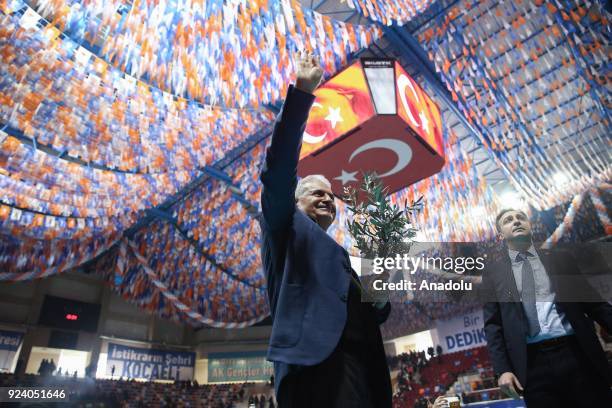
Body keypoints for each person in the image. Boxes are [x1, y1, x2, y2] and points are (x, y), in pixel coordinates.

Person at [259, 50, 392, 407]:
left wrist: (378, 293)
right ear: (295, 200)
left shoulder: (340, 256)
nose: (327, 200)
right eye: (318, 192)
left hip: (363, 369)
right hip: (316, 370)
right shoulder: (283, 228)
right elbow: (279, 172)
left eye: (332, 197)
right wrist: (302, 93)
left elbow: (374, 312)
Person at [482, 208, 612, 407]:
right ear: (501, 235)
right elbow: (493, 326)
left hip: (578, 353)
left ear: (530, 226)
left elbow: (595, 304)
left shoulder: (560, 259)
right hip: (532, 366)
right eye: (509, 220)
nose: (516, 221)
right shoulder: (493, 274)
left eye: (520, 217)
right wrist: (503, 370)